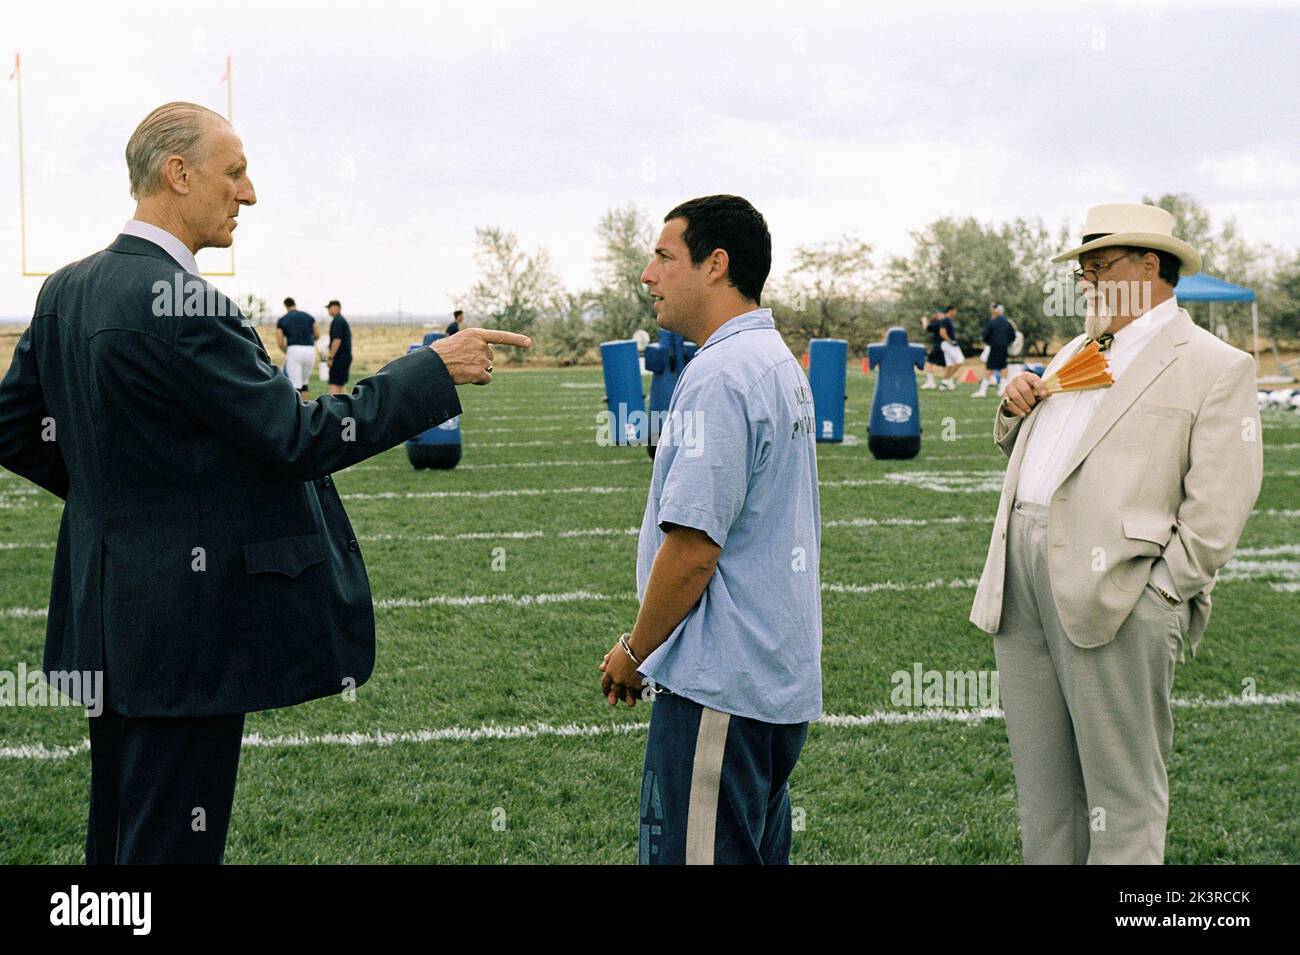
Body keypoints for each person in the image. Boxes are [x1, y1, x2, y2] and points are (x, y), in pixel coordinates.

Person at [0, 101, 531, 864]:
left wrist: (126, 504)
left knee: (117, 838)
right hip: (182, 629)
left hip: (106, 618)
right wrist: (427, 373)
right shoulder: (182, 303)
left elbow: (16, 427)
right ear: (178, 175)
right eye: (236, 171)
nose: (249, 194)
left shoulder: (65, 289)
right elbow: (298, 436)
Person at [969, 202, 1263, 864]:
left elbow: (1221, 502)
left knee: (1123, 799)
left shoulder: (1214, 364)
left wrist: (1164, 591)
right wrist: (1014, 405)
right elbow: (1046, 446)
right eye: (1084, 270)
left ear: (1149, 265)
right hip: (1023, 579)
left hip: (1121, 591)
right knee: (1044, 794)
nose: (1086, 281)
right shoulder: (1079, 348)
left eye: (1098, 266)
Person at [599, 195, 822, 865]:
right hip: (767, 682)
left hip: (720, 685)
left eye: (665, 256)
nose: (648, 274)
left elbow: (693, 550)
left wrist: (634, 652)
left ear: (715, 265)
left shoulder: (720, 375)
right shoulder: (772, 359)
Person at [276, 297, 317, 400]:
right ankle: (308, 412)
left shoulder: (283, 319)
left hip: (294, 349)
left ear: (285, 306)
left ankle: (297, 414)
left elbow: (280, 342)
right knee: (305, 384)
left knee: (296, 386)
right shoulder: (308, 317)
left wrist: (287, 351)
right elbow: (317, 334)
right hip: (310, 350)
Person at [975, 303, 1015, 398]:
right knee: (1003, 366)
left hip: (994, 346)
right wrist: (1007, 343)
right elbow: (1013, 336)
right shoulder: (1007, 322)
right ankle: (1002, 389)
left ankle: (982, 391)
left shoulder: (992, 322)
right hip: (1004, 347)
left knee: (989, 367)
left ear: (995, 312)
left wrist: (989, 343)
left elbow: (985, 335)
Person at [923, 305, 960, 390]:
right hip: (945, 346)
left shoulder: (941, 322)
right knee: (946, 365)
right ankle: (949, 382)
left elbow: (927, 328)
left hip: (940, 346)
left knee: (929, 362)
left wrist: (924, 320)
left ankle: (930, 382)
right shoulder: (945, 321)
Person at [324, 299, 352, 396]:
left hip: (339, 357)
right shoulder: (341, 320)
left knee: (334, 385)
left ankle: (334, 408)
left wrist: (331, 357)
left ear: (336, 308)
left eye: (329, 308)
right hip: (345, 356)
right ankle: (347, 409)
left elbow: (337, 340)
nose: (328, 310)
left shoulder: (337, 321)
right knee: (341, 386)